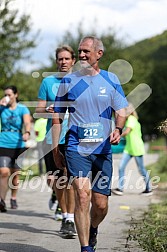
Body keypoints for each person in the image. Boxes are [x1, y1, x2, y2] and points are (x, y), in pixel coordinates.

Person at [52, 36, 128, 252]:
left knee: (101, 205)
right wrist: (57, 148)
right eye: (80, 51)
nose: (82, 55)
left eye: (86, 51)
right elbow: (57, 116)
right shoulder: (68, 81)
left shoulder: (111, 79)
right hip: (77, 147)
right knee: (83, 196)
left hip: (102, 150)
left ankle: (93, 227)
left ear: (99, 54)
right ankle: (86, 248)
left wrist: (118, 128)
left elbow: (121, 111)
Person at [35, 45, 77, 237]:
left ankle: (68, 219)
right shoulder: (47, 82)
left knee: (68, 178)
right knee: (55, 180)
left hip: (73, 136)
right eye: (60, 59)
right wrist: (49, 110)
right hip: (51, 137)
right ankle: (61, 203)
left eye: (67, 59)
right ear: (56, 61)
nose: (63, 62)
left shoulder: (80, 81)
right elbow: (38, 110)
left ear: (73, 61)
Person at [0, 85, 31, 212]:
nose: (7, 97)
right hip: (3, 143)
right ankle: (1, 200)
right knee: (3, 172)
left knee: (15, 175)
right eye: (5, 95)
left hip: (18, 144)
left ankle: (13, 197)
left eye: (9, 95)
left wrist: (27, 132)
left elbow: (27, 122)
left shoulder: (22, 109)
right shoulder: (2, 108)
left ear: (16, 95)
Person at [112, 103, 153, 196]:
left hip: (136, 147)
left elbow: (127, 131)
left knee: (141, 169)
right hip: (129, 148)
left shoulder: (132, 119)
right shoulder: (128, 120)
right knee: (121, 167)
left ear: (128, 111)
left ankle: (149, 188)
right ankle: (120, 188)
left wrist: (117, 135)